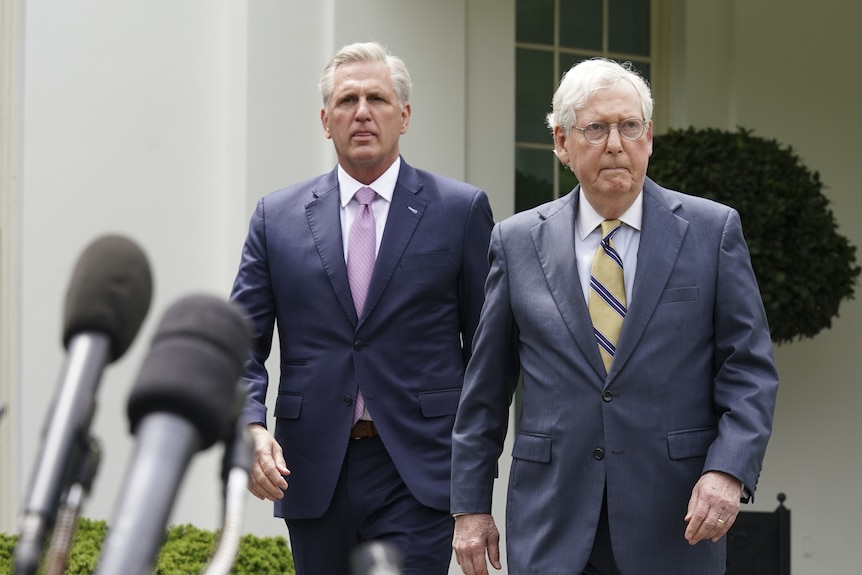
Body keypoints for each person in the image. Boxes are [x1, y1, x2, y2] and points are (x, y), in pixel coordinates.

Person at [450, 58, 779, 575]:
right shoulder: (515, 243)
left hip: (675, 518)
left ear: (648, 137)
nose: (615, 143)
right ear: (561, 142)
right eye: (596, 128)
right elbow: (485, 390)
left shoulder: (711, 232)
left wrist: (728, 471)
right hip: (551, 518)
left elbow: (749, 371)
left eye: (629, 127)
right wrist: (470, 507)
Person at [228, 41, 494, 575]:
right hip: (313, 468)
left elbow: (487, 358)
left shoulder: (460, 211)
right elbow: (239, 345)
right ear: (326, 121)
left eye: (377, 98)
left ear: (405, 116)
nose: (363, 112)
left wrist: (474, 488)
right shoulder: (275, 218)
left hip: (419, 471)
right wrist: (251, 426)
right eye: (347, 101)